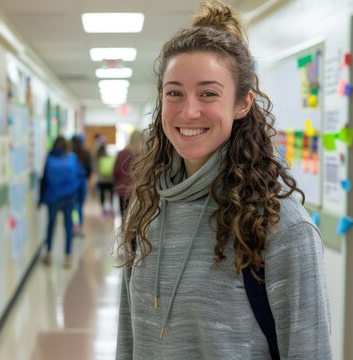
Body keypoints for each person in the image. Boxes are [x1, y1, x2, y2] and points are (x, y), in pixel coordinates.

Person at [115, 1, 332, 359]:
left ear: (242, 103)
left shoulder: (280, 225)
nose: (189, 111)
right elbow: (129, 341)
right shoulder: (146, 207)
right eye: (175, 93)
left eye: (208, 93)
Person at [38, 136, 83, 268]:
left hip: (53, 198)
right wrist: (79, 198)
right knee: (68, 226)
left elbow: (44, 180)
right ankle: (67, 256)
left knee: (51, 225)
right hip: (69, 198)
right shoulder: (72, 158)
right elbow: (79, 178)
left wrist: (41, 199)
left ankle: (48, 253)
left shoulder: (49, 158)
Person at [113, 130, 143, 218]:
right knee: (136, 218)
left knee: (124, 216)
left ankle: (124, 231)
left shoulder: (122, 153)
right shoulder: (144, 154)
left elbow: (115, 171)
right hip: (138, 191)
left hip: (122, 190)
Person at [71, 134, 93, 235]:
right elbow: (89, 170)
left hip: (71, 184)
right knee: (79, 206)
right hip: (82, 184)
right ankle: (79, 227)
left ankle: (73, 226)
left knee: (73, 207)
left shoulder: (69, 154)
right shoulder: (86, 153)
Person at [95, 143, 115, 217]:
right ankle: (111, 208)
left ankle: (103, 210)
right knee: (111, 194)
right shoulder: (110, 157)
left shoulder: (98, 158)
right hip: (110, 179)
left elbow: (97, 170)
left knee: (102, 194)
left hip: (102, 180)